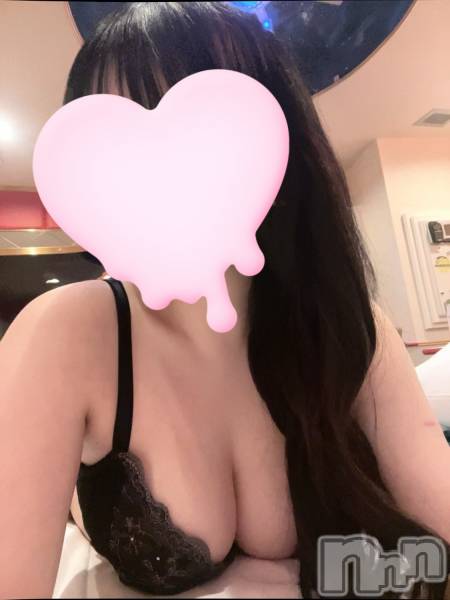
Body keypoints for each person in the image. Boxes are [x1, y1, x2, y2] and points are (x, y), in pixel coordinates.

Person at [1, 3, 450, 598]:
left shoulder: (347, 327)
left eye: (202, 142)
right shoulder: (67, 332)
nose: (158, 181)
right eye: (115, 155)